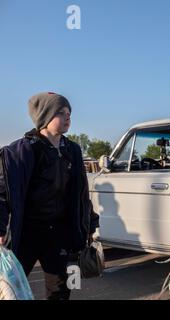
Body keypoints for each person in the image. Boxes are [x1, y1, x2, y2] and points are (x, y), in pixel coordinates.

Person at [0, 92, 99, 300]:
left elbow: (81, 194)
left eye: (69, 113)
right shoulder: (20, 152)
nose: (68, 117)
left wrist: (89, 225)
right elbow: (2, 192)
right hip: (26, 234)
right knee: (13, 289)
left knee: (61, 291)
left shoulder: (72, 150)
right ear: (45, 118)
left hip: (60, 234)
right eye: (61, 113)